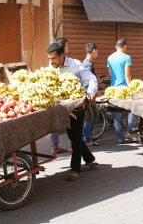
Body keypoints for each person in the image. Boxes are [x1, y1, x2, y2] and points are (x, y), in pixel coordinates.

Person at [47, 42, 98, 181]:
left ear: (62, 56)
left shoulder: (76, 65)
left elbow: (91, 78)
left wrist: (91, 92)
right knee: (73, 136)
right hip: (61, 107)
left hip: (77, 106)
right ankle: (90, 158)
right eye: (49, 58)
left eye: (54, 58)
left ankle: (75, 169)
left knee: (75, 138)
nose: (51, 61)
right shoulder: (51, 67)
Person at [107, 38, 136, 144]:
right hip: (124, 89)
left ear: (116, 47)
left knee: (117, 113)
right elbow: (127, 75)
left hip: (114, 89)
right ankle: (130, 133)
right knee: (132, 110)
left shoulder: (110, 58)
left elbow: (110, 73)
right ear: (124, 46)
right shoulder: (126, 57)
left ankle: (119, 137)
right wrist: (131, 88)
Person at [50, 37, 71, 154]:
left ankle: (58, 145)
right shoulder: (52, 65)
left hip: (68, 101)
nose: (69, 48)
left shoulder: (73, 64)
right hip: (57, 102)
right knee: (57, 125)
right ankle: (55, 145)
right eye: (67, 46)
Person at [82, 43, 101, 146]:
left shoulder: (86, 63)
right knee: (89, 117)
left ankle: (88, 137)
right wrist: (92, 92)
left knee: (93, 115)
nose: (97, 54)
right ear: (93, 51)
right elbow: (87, 80)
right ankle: (86, 139)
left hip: (89, 94)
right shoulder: (87, 64)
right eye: (97, 52)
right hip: (88, 95)